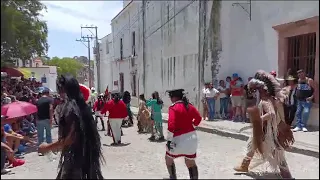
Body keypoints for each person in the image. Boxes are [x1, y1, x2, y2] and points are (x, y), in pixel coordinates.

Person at [38, 75, 104, 179]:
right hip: (86, 158)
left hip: (75, 160)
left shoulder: (71, 108)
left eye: (60, 90)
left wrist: (47, 147)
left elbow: (70, 138)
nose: (59, 93)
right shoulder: (82, 106)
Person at [233, 70, 294, 179]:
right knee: (252, 145)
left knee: (277, 154)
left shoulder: (266, 101)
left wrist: (258, 119)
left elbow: (271, 114)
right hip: (266, 131)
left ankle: (287, 176)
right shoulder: (271, 99)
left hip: (269, 133)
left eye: (258, 90)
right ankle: (244, 165)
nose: (257, 93)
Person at [165, 89, 202, 179]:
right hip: (192, 138)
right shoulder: (189, 106)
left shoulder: (173, 107)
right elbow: (198, 118)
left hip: (178, 139)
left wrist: (169, 140)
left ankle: (173, 177)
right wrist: (193, 125)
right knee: (190, 162)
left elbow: (171, 125)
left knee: (168, 159)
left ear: (173, 98)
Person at [35, 89, 53, 155]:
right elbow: (50, 108)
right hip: (47, 119)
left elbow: (36, 111)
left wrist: (36, 119)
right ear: (47, 93)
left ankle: (41, 150)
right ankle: (49, 148)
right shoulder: (49, 100)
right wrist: (51, 118)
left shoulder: (38, 101)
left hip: (39, 119)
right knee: (48, 134)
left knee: (40, 135)